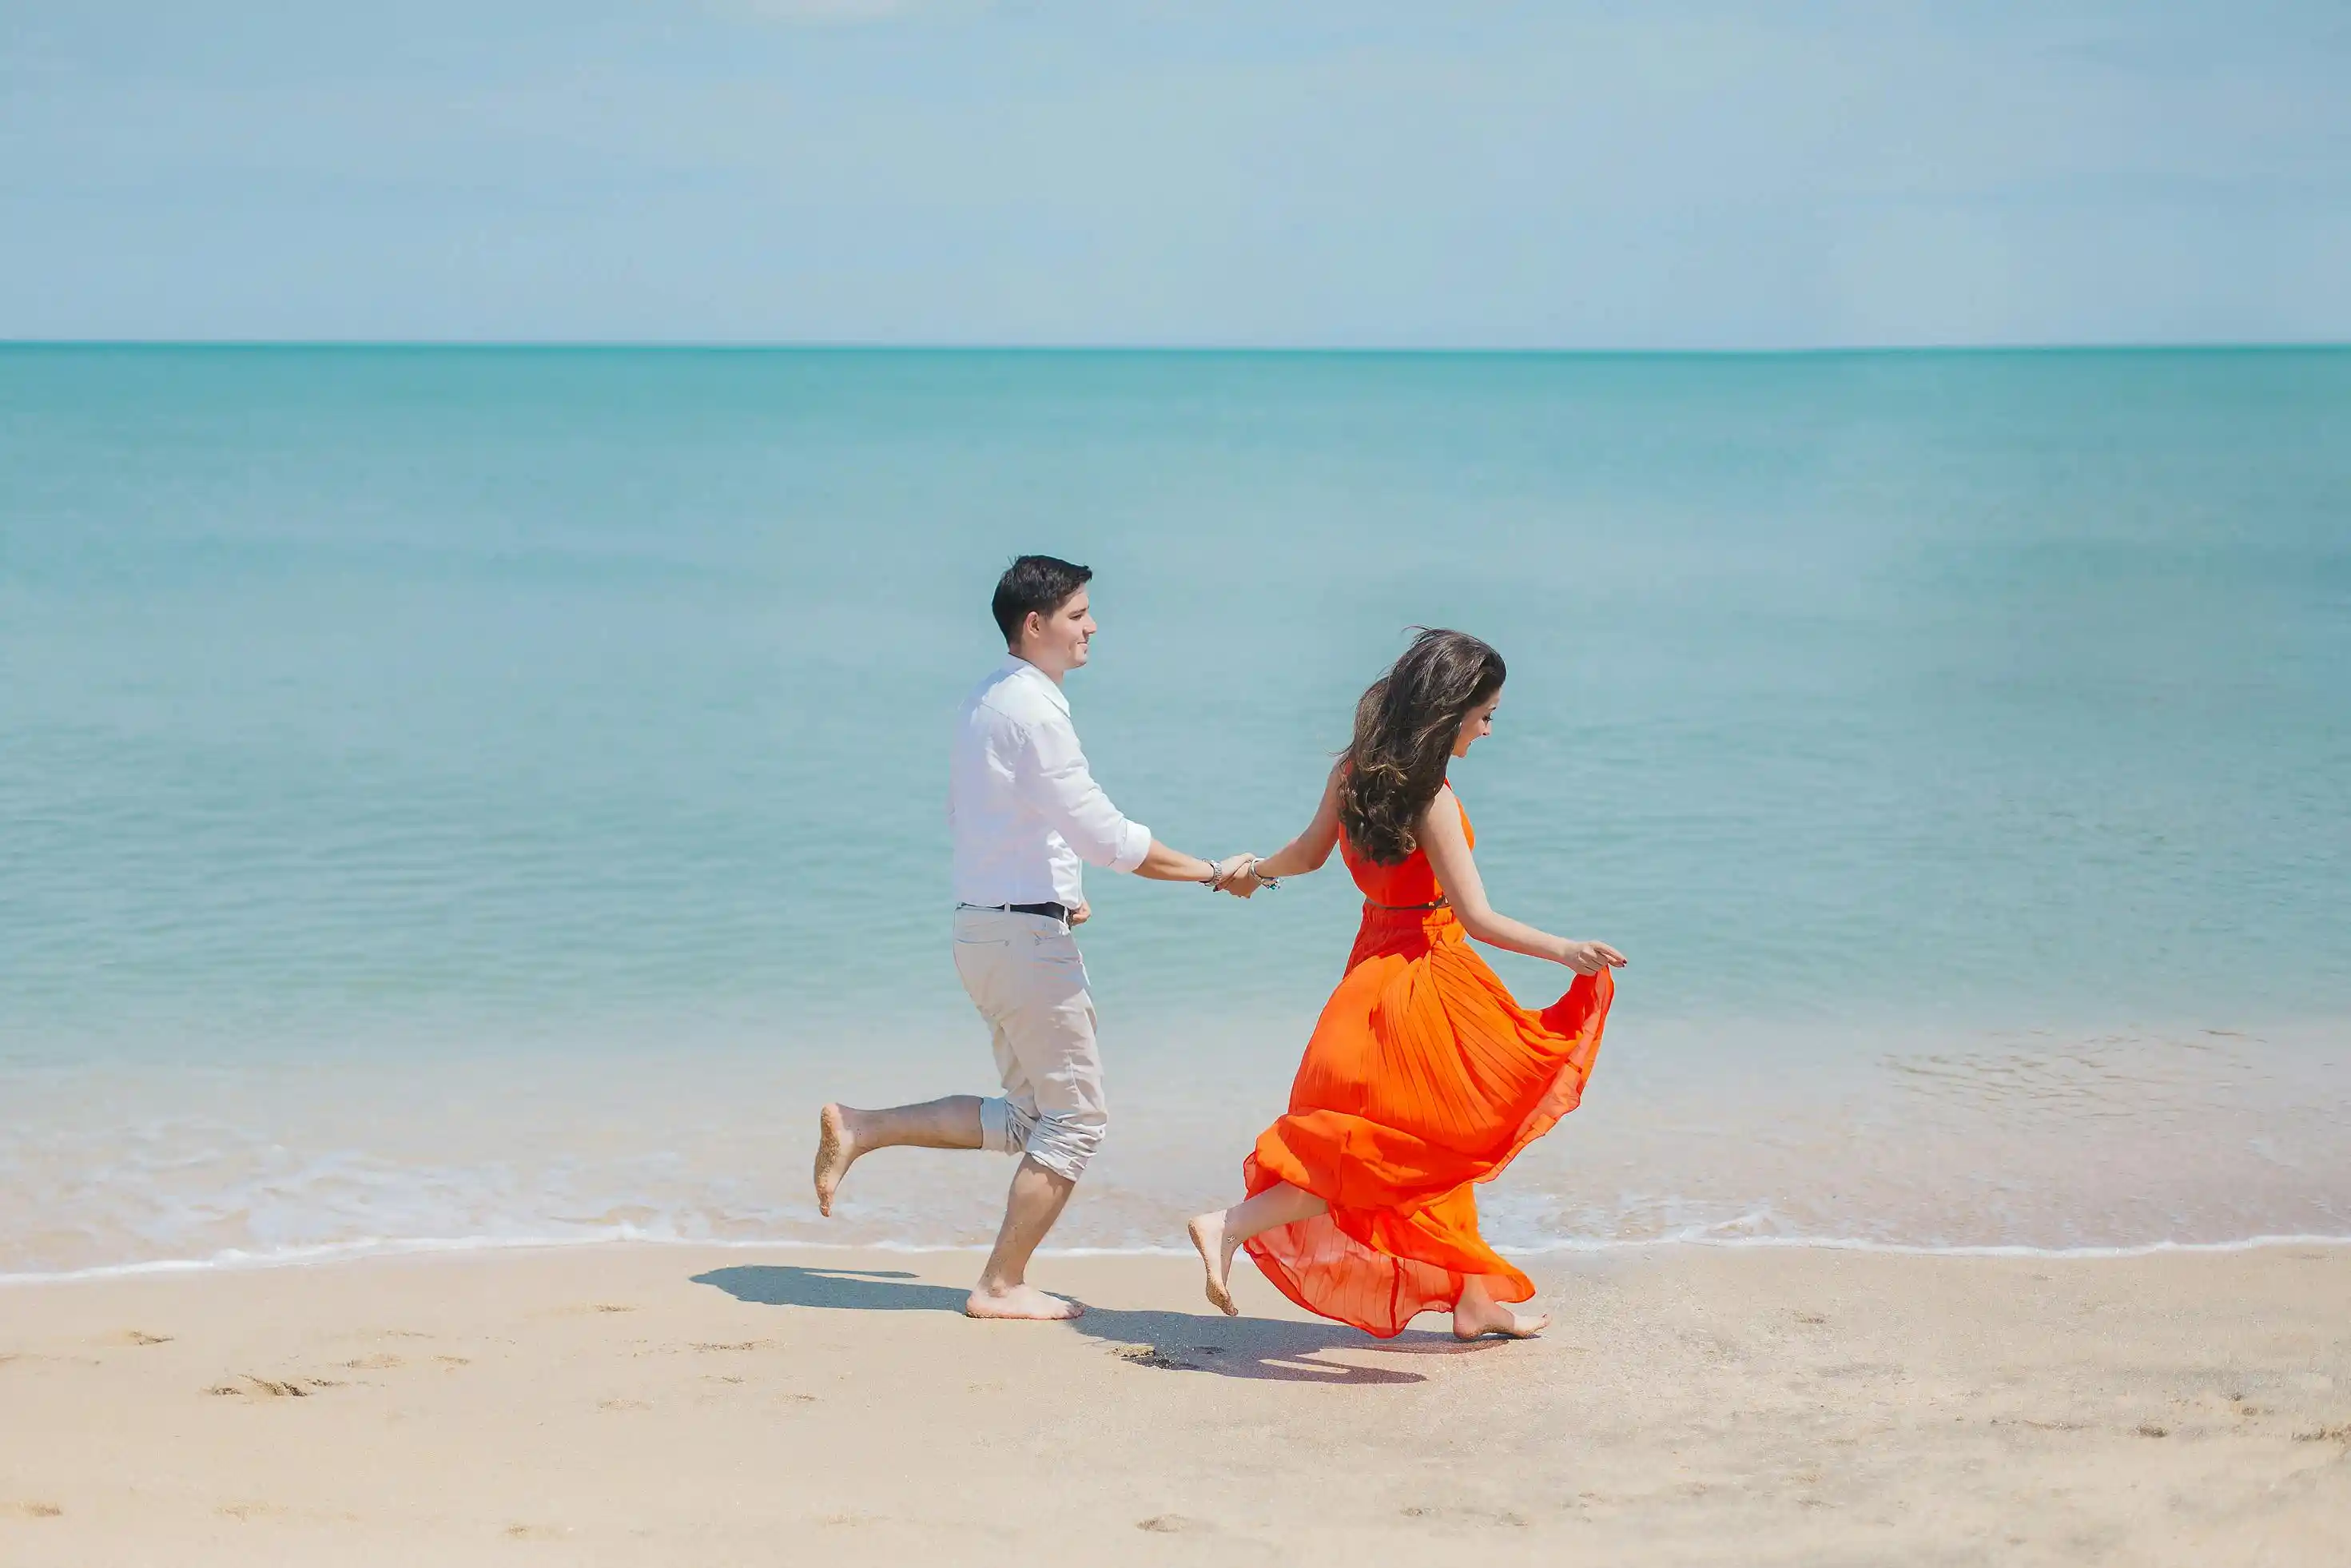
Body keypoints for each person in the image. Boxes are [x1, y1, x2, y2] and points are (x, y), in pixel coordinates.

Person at [814, 555, 1254, 1322]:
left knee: (1028, 1119)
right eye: (1080, 614)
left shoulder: (989, 699)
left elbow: (1001, 818)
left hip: (986, 929)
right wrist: (1215, 873)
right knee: (1077, 1119)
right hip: (1021, 942)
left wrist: (1064, 893)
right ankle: (1000, 1284)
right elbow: (1106, 835)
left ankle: (862, 1127)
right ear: (1035, 624)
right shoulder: (1037, 712)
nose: (1092, 626)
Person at [1187, 627, 1626, 1340]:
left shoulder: (1352, 771)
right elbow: (1478, 917)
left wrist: (1252, 871)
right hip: (1426, 978)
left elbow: (1303, 855)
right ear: (1449, 712)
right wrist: (1566, 949)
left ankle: (1474, 1302)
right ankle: (1229, 1223)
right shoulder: (1434, 799)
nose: (1487, 731)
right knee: (1402, 1152)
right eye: (1485, 716)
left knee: (1430, 1143)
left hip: (1369, 975)